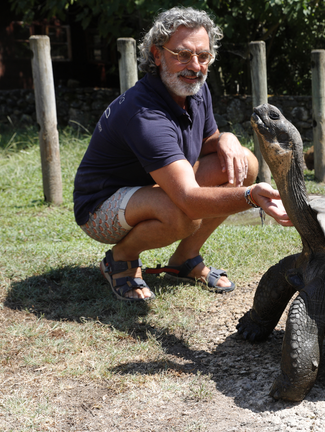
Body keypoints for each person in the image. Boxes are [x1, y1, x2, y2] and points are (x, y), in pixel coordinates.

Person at [73, 7, 291, 301]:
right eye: (183, 54)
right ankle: (120, 259)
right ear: (157, 54)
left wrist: (225, 138)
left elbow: (206, 142)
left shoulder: (195, 90)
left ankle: (185, 259)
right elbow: (188, 199)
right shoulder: (145, 114)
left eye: (203, 56)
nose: (195, 66)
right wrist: (251, 197)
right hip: (100, 206)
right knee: (183, 213)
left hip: (152, 187)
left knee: (242, 163)